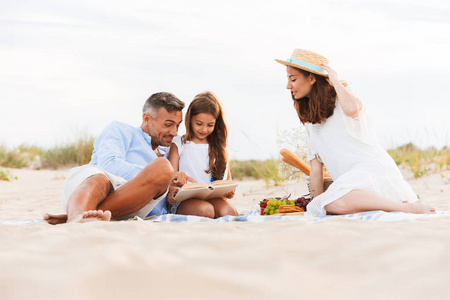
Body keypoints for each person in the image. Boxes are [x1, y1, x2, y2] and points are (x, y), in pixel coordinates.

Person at [275, 49, 435, 216]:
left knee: (332, 201)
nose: (288, 86)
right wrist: (315, 206)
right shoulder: (311, 122)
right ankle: (395, 206)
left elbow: (352, 109)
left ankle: (404, 208)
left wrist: (335, 80)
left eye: (293, 79)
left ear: (312, 78)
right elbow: (316, 169)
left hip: (372, 170)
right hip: (353, 186)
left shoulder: (342, 97)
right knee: (328, 203)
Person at [43, 92, 186, 224]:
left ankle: (80, 216)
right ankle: (79, 216)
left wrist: (171, 188)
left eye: (178, 126)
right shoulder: (121, 130)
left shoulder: (168, 153)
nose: (174, 132)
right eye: (168, 125)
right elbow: (109, 165)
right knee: (101, 179)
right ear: (147, 118)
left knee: (163, 168)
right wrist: (156, 176)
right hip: (94, 189)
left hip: (134, 206)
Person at [167, 91, 238, 218]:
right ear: (190, 120)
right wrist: (173, 188)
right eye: (199, 124)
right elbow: (170, 177)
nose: (204, 129)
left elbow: (227, 181)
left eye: (210, 125)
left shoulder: (219, 147)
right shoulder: (179, 143)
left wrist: (229, 191)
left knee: (229, 212)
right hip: (185, 200)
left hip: (213, 198)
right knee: (206, 211)